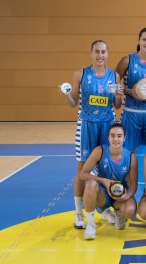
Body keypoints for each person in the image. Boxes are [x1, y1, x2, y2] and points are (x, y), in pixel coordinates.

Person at [60, 40, 123, 229]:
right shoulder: (81, 74)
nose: (100, 55)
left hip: (107, 125)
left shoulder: (114, 76)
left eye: (103, 52)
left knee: (105, 169)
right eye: (97, 52)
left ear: (107, 54)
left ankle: (103, 208)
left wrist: (119, 96)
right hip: (86, 125)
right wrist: (66, 94)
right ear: (91, 53)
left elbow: (117, 106)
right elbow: (73, 103)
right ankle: (78, 213)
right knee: (82, 170)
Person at [79, 123, 138, 240]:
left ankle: (119, 213)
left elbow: (134, 184)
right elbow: (83, 174)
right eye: (113, 136)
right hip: (103, 195)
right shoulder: (99, 151)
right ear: (108, 137)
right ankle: (91, 225)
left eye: (119, 136)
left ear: (124, 138)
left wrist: (127, 196)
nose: (116, 139)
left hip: (120, 195)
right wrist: (102, 180)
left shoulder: (131, 156)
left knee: (130, 210)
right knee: (91, 183)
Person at [115, 27, 146, 151]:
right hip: (131, 112)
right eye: (144, 40)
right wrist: (129, 91)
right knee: (127, 151)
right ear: (138, 41)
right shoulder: (127, 60)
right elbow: (114, 84)